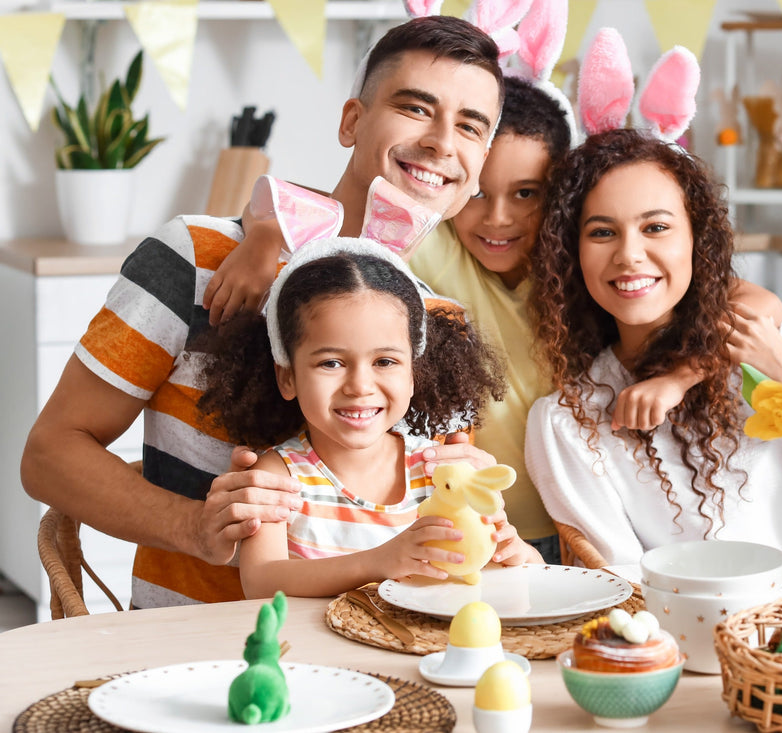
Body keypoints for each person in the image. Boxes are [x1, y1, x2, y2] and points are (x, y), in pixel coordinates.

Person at [21, 15, 506, 608]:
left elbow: (444, 513)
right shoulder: (199, 259)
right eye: (415, 108)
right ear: (352, 121)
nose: (442, 142)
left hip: (387, 656)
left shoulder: (445, 327)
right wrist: (198, 528)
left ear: (480, 161)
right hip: (196, 652)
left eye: (471, 126)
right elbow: (49, 456)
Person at [208, 75, 782, 562]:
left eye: (527, 194)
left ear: (559, 197)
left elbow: (756, 305)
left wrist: (679, 377)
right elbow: (302, 200)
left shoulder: (588, 273)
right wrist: (262, 235)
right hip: (476, 518)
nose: (498, 219)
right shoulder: (439, 245)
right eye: (480, 194)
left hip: (579, 523)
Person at [525, 129, 782, 567]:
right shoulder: (570, 423)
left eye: (656, 227)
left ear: (697, 238)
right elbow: (622, 589)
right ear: (573, 252)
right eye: (602, 232)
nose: (630, 255)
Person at [197, 240, 540, 598]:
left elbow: (497, 570)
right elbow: (262, 582)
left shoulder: (440, 472)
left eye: (385, 362)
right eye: (331, 363)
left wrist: (519, 555)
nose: (360, 386)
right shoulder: (278, 476)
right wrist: (380, 561)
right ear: (288, 377)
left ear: (412, 376)